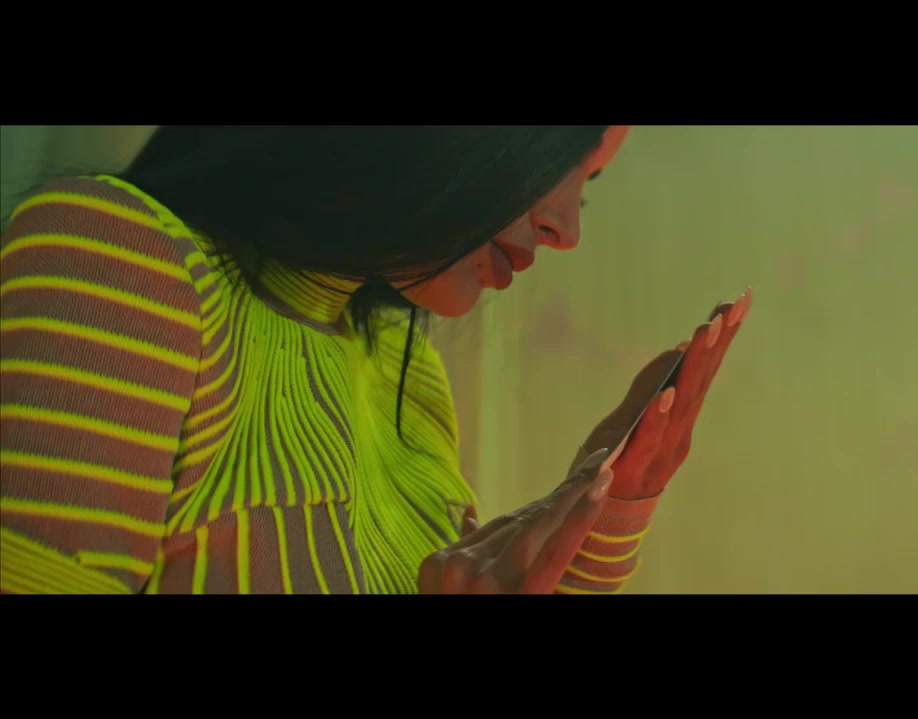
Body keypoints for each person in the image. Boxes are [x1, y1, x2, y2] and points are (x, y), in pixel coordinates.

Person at [0, 125, 752, 594]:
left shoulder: (406, 370)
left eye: (585, 189)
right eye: (550, 155)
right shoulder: (117, 257)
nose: (565, 229)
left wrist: (606, 515)